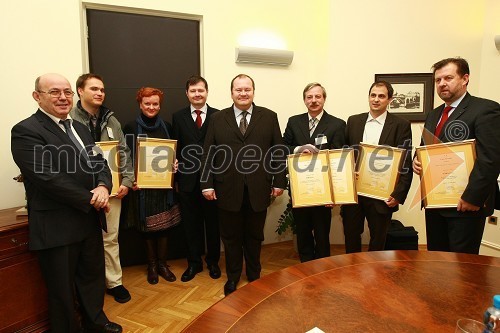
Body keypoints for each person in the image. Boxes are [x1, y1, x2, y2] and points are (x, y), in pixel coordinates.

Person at [11, 73, 122, 332]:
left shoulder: (80, 128)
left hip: (88, 220)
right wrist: (92, 198)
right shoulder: (26, 131)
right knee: (61, 289)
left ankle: (96, 323)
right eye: (54, 92)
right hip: (57, 224)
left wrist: (104, 186)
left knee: (91, 279)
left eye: (67, 92)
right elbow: (46, 178)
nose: (63, 97)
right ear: (37, 96)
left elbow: (101, 163)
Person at [200, 74, 287, 296]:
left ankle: (255, 275)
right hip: (227, 189)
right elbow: (209, 153)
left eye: (247, 89)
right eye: (238, 90)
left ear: (253, 91)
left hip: (259, 189)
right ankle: (233, 277)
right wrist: (206, 184)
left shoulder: (268, 117)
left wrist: (279, 181)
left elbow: (277, 151)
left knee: (255, 236)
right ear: (232, 93)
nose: (243, 93)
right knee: (230, 238)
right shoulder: (218, 118)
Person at [413, 57, 500, 254]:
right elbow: (424, 148)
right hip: (435, 203)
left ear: (465, 79)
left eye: (448, 78)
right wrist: (415, 160)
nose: (442, 83)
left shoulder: (486, 109)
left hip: (466, 205)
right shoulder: (433, 114)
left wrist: (473, 198)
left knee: (463, 267)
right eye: (438, 80)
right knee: (438, 261)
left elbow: (491, 159)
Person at [70, 73, 133, 303]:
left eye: (102, 90)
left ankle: (114, 282)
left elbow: (123, 151)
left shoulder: (111, 120)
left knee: (110, 238)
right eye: (94, 89)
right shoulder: (68, 119)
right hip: (82, 193)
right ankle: (86, 288)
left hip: (113, 189)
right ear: (80, 91)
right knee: (82, 241)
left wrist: (127, 180)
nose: (99, 93)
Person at [342, 81, 412, 253]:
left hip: (381, 195)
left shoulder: (400, 125)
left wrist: (398, 194)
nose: (376, 99)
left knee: (378, 239)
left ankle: (375, 275)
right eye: (373, 95)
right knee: (351, 235)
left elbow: (405, 161)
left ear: (390, 99)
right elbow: (344, 156)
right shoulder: (353, 121)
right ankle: (352, 268)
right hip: (354, 193)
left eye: (381, 96)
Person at [283, 82, 346, 262]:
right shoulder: (294, 122)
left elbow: (338, 159)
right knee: (302, 231)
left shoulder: (337, 124)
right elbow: (283, 146)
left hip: (323, 190)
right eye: (309, 97)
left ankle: (322, 266)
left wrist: (334, 194)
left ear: (324, 99)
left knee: (321, 232)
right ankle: (305, 266)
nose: (313, 100)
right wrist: (297, 150)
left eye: (318, 96)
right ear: (304, 100)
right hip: (300, 188)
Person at [123, 87, 177, 284]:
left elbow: (173, 153)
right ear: (140, 104)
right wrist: (131, 179)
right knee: (146, 229)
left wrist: (175, 163)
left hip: (163, 187)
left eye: (155, 104)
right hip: (142, 188)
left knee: (164, 227)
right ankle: (152, 265)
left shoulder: (168, 126)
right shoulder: (129, 127)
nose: (152, 107)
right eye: (147, 103)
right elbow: (125, 157)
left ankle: (163, 264)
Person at [172, 75, 221, 282]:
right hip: (187, 181)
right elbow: (176, 146)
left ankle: (213, 262)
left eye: (200, 90)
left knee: (213, 225)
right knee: (190, 225)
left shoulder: (219, 116)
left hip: (212, 181)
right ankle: (194, 263)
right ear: (187, 94)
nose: (197, 94)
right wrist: (173, 162)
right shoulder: (178, 116)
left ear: (207, 92)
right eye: (193, 91)